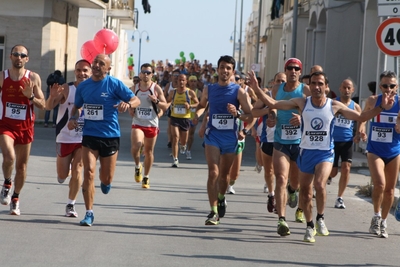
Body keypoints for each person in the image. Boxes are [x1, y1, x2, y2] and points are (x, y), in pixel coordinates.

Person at [249, 70, 394, 242]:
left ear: (326, 87)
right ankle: (310, 225)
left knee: (319, 184)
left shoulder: (334, 106)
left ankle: (320, 218)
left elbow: (362, 116)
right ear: (309, 86)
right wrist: (257, 89)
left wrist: (382, 108)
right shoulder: (302, 102)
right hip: (306, 152)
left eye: (320, 84)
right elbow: (272, 103)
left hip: (325, 153)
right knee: (305, 192)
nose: (317, 87)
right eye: (313, 84)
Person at [67, 54, 140, 226]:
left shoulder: (114, 84)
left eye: (102, 63)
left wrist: (128, 105)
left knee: (106, 178)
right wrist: (72, 118)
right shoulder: (84, 87)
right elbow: (76, 108)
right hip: (90, 135)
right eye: (95, 62)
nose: (97, 65)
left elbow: (135, 99)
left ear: (108, 68)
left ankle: (105, 181)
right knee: (89, 172)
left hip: (110, 136)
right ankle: (89, 213)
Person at [194, 55, 253, 225]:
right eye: (222, 67)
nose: (225, 71)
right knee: (213, 172)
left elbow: (251, 115)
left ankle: (221, 197)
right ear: (217, 69)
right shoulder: (209, 89)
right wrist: (197, 117)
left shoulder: (238, 92)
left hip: (230, 138)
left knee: (224, 176)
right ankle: (213, 212)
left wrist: (238, 116)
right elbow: (201, 106)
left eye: (228, 68)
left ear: (232, 71)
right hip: (213, 136)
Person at [257, 58, 310, 236]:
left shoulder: (305, 90)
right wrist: (272, 117)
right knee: (280, 177)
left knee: (295, 182)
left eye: (296, 69)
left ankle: (293, 191)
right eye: (290, 68)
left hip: (299, 143)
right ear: (285, 70)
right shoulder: (276, 89)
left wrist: (302, 119)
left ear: (300, 72)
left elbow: (314, 111)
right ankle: (282, 220)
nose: (293, 71)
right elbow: (273, 107)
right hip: (280, 141)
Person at [0, 44, 46, 215]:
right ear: (10, 57)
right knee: (9, 156)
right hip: (6, 125)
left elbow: (44, 105)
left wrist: (31, 96)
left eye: (22, 55)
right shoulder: (2, 77)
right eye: (16, 54)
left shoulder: (33, 78)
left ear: (27, 59)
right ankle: (6, 183)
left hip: (26, 127)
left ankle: (16, 198)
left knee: (22, 167)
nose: (19, 57)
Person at [45, 59, 92, 217]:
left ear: (90, 72)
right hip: (64, 137)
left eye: (85, 70)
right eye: (79, 70)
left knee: (79, 168)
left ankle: (70, 204)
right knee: (63, 175)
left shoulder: (94, 90)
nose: (82, 73)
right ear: (75, 72)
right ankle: (64, 172)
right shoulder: (67, 88)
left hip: (83, 138)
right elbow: (49, 106)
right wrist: (52, 97)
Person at [357, 70, 400, 238]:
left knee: (390, 190)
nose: (388, 88)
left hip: (394, 151)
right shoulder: (373, 100)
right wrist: (361, 130)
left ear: (396, 87)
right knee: (380, 184)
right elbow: (363, 117)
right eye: (385, 85)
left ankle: (383, 221)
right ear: (380, 86)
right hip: (375, 150)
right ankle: (375, 216)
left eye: (392, 85)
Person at [252, 72, 286, 212]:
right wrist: (266, 111)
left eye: (282, 81)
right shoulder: (267, 97)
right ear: (273, 82)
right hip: (268, 139)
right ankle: (272, 195)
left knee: (282, 174)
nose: (280, 83)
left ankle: (280, 201)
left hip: (285, 140)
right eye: (278, 80)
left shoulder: (291, 97)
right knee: (269, 170)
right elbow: (254, 112)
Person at [130, 63, 167, 189]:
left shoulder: (156, 88)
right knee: (136, 146)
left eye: (148, 72)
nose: (146, 74)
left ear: (152, 75)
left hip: (152, 124)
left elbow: (165, 106)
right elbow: (128, 102)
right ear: (140, 74)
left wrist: (156, 101)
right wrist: (130, 109)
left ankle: (146, 177)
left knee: (149, 151)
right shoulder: (134, 88)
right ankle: (137, 166)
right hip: (138, 122)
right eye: (143, 72)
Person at [327, 78, 361, 209]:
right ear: (340, 89)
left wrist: (359, 133)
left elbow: (361, 119)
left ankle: (339, 198)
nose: (346, 90)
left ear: (352, 90)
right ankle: (328, 177)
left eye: (349, 88)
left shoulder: (355, 106)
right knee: (333, 172)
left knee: (346, 168)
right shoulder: (334, 104)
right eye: (344, 87)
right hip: (332, 141)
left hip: (347, 142)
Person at [167, 74, 199, 167]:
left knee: (184, 141)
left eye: (183, 80)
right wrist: (168, 104)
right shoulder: (173, 92)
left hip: (185, 118)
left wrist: (190, 106)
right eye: (179, 80)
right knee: (175, 137)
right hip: (174, 117)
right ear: (177, 81)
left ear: (186, 82)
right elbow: (168, 101)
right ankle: (175, 159)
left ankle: (183, 145)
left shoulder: (190, 92)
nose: (181, 82)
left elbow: (198, 103)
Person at [186, 75, 202, 160]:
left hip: (193, 116)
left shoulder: (199, 92)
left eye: (194, 81)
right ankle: (180, 148)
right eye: (191, 81)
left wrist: (197, 113)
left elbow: (201, 104)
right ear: (188, 82)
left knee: (191, 134)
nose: (193, 83)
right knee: (183, 134)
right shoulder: (185, 91)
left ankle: (188, 150)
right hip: (184, 116)